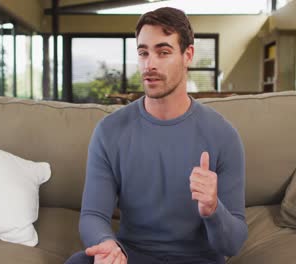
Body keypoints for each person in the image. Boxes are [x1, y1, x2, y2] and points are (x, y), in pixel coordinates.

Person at [65, 7, 247, 264]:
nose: (150, 64)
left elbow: (234, 243)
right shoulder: (110, 131)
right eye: (143, 53)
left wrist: (213, 209)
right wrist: (106, 245)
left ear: (188, 55)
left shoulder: (223, 136)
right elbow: (93, 215)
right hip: (132, 257)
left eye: (163, 52)